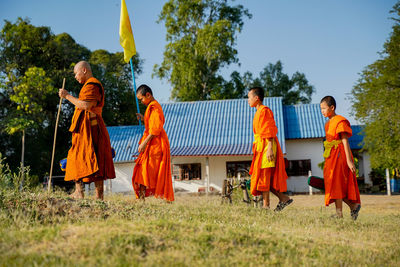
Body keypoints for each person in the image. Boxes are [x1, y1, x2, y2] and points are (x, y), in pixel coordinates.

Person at [59, 61, 115, 200]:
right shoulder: (86, 86)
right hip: (83, 131)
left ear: (84, 70)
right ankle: (79, 192)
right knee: (75, 157)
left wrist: (67, 96)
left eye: (76, 73)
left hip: (93, 128)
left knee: (97, 159)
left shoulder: (93, 85)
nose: (75, 77)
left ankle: (98, 196)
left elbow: (85, 105)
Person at [248, 87, 293, 211]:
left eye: (249, 97)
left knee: (264, 175)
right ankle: (284, 199)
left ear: (257, 98)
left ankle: (266, 206)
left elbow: (269, 129)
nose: (248, 100)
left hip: (267, 145)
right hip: (260, 146)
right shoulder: (258, 112)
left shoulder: (264, 111)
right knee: (263, 176)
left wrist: (269, 148)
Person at [320, 96, 361, 219]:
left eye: (324, 108)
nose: (322, 111)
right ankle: (352, 207)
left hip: (340, 155)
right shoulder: (327, 124)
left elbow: (344, 140)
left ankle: (340, 213)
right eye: (320, 108)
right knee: (333, 183)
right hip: (331, 156)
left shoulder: (340, 121)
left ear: (332, 108)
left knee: (337, 183)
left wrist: (349, 161)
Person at [132, 84, 174, 202]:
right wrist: (144, 117)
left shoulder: (154, 107)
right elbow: (152, 123)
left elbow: (155, 129)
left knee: (146, 170)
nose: (141, 102)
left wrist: (144, 143)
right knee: (142, 170)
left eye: (141, 99)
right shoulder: (151, 107)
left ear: (148, 95)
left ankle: (143, 199)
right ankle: (141, 199)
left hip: (155, 143)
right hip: (152, 142)